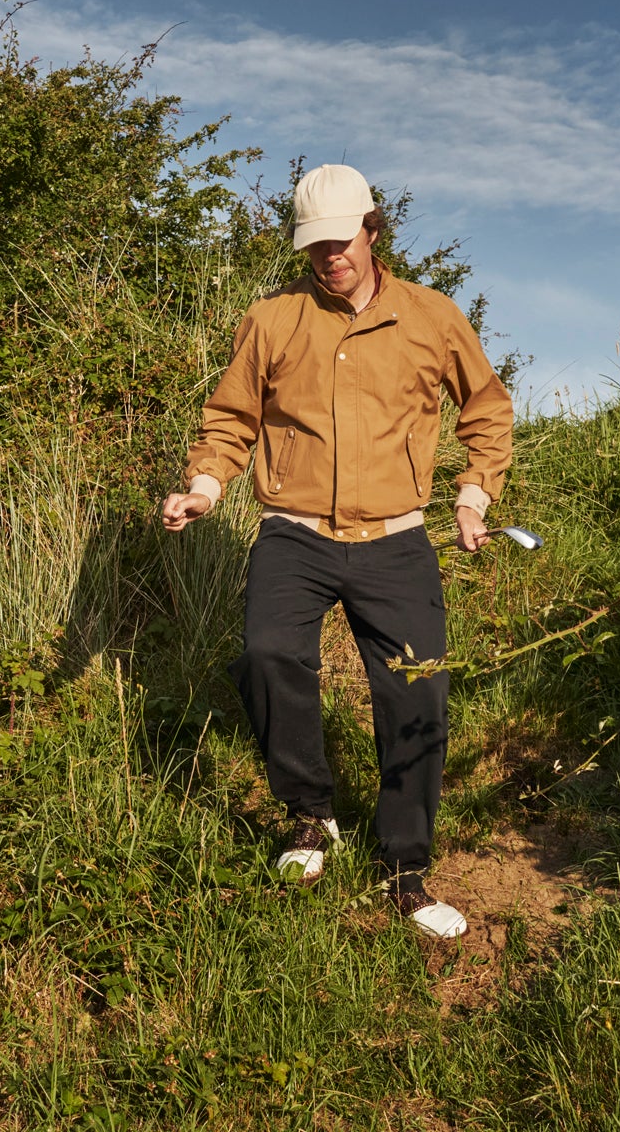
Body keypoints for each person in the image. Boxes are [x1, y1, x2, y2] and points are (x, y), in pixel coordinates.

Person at [160, 163, 514, 938]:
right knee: (266, 657)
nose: (328, 256)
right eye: (313, 244)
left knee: (416, 694)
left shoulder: (433, 316)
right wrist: (206, 486)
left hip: (397, 540)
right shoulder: (273, 319)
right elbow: (230, 421)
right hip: (295, 533)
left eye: (341, 240)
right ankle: (311, 814)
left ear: (374, 229)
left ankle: (406, 869)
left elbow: (486, 410)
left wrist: (472, 494)